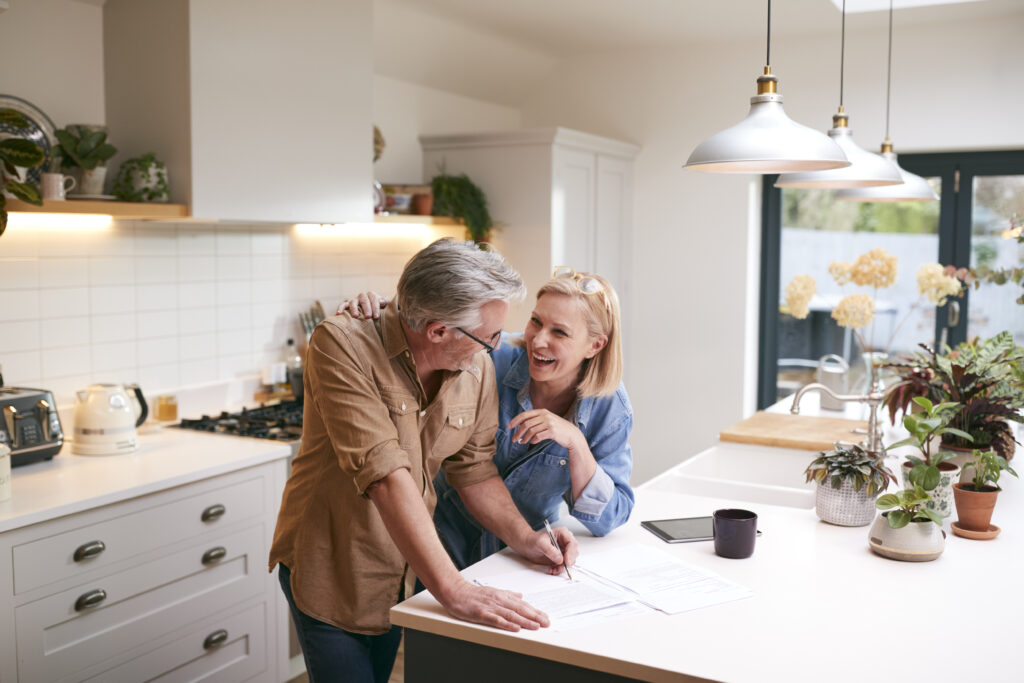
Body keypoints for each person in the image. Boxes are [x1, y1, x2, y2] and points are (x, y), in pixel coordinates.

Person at [270, 239, 578, 683]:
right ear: (437, 331)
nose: (496, 346)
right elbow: (385, 476)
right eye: (490, 336)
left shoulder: (476, 365)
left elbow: (473, 469)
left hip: (402, 567)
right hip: (332, 565)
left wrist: (526, 539)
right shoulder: (341, 344)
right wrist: (453, 588)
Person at [343, 266, 634, 570]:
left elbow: (611, 518)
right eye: (536, 322)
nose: (537, 341)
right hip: (442, 535)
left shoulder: (610, 408)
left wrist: (576, 444)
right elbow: (426, 338)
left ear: (595, 345)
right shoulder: (491, 356)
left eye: (559, 332)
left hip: (520, 555)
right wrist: (385, 315)